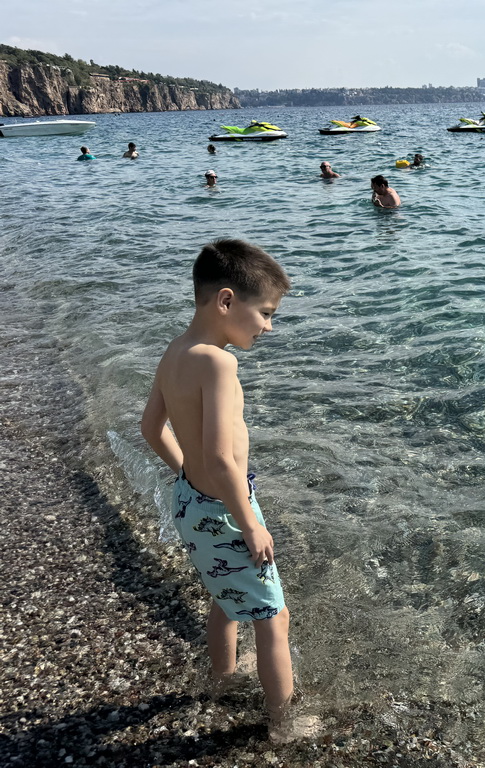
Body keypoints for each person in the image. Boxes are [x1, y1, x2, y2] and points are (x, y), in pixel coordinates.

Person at [140, 239, 296, 740]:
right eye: (266, 313)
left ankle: (221, 680)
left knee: (225, 599)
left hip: (189, 501)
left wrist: (189, 478)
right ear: (226, 301)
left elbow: (150, 429)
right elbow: (222, 458)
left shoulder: (176, 349)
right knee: (273, 617)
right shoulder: (219, 363)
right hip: (226, 509)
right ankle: (282, 724)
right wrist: (249, 524)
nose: (269, 326)